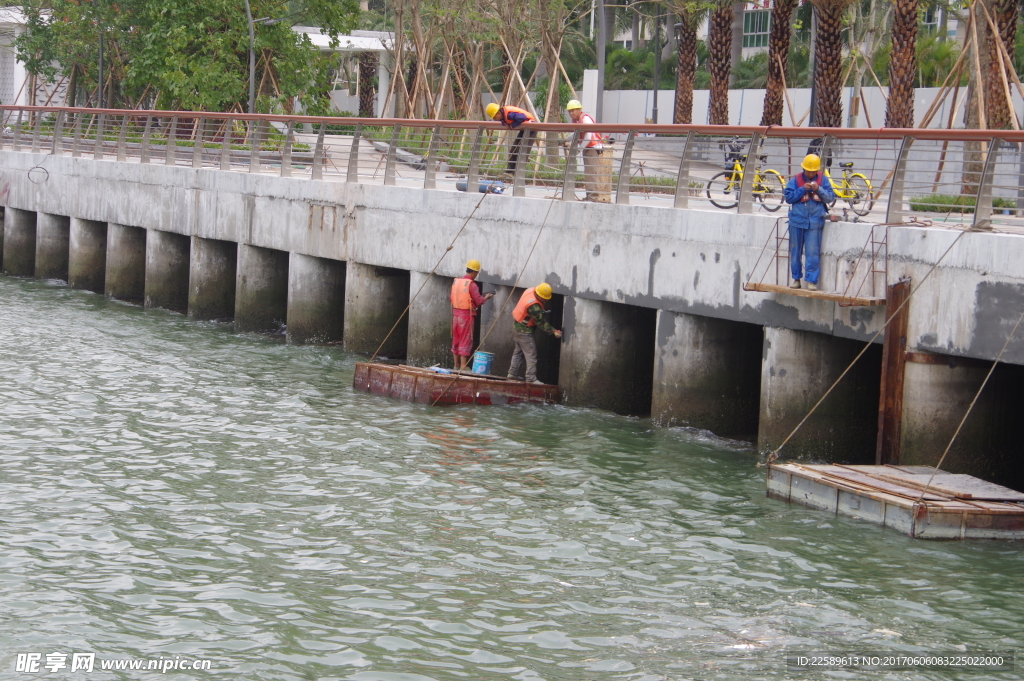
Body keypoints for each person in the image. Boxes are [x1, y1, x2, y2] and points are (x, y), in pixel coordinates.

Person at [783, 154, 835, 291]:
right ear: (803, 169)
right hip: (797, 221)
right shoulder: (795, 180)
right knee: (795, 251)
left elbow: (830, 197)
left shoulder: (823, 180)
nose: (811, 173)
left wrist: (818, 189)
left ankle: (812, 281)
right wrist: (802, 189)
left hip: (815, 222)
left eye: (813, 171)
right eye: (808, 170)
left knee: (812, 253)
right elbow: (788, 198)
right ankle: (796, 279)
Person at [507, 283, 562, 385]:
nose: (546, 300)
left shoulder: (530, 290)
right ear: (539, 295)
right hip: (524, 331)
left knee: (518, 351)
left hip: (517, 326)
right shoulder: (534, 307)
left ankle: (513, 373)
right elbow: (540, 323)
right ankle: (531, 378)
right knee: (531, 354)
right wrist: (554, 331)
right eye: (544, 298)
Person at [450, 259, 494, 370]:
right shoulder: (472, 285)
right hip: (466, 316)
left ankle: (456, 365)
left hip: (455, 315)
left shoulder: (457, 282)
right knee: (466, 339)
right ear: (474, 272)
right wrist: (486, 297)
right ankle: (463, 366)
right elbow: (479, 301)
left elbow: (453, 298)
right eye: (477, 273)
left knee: (456, 339)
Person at [565, 99, 611, 202]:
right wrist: (564, 139)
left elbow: (588, 136)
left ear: (579, 110)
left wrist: (579, 149)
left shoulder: (585, 119)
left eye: (573, 110)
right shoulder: (578, 121)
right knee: (588, 173)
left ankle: (592, 197)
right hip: (587, 147)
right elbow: (577, 134)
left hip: (592, 148)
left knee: (591, 173)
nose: (571, 113)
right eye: (570, 111)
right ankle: (589, 196)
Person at [485, 102, 537, 177]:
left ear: (498, 113)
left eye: (494, 117)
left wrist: (513, 125)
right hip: (524, 130)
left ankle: (518, 172)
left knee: (522, 150)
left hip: (531, 129)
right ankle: (510, 172)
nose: (494, 119)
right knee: (513, 149)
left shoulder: (509, 114)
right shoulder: (504, 115)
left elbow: (521, 117)